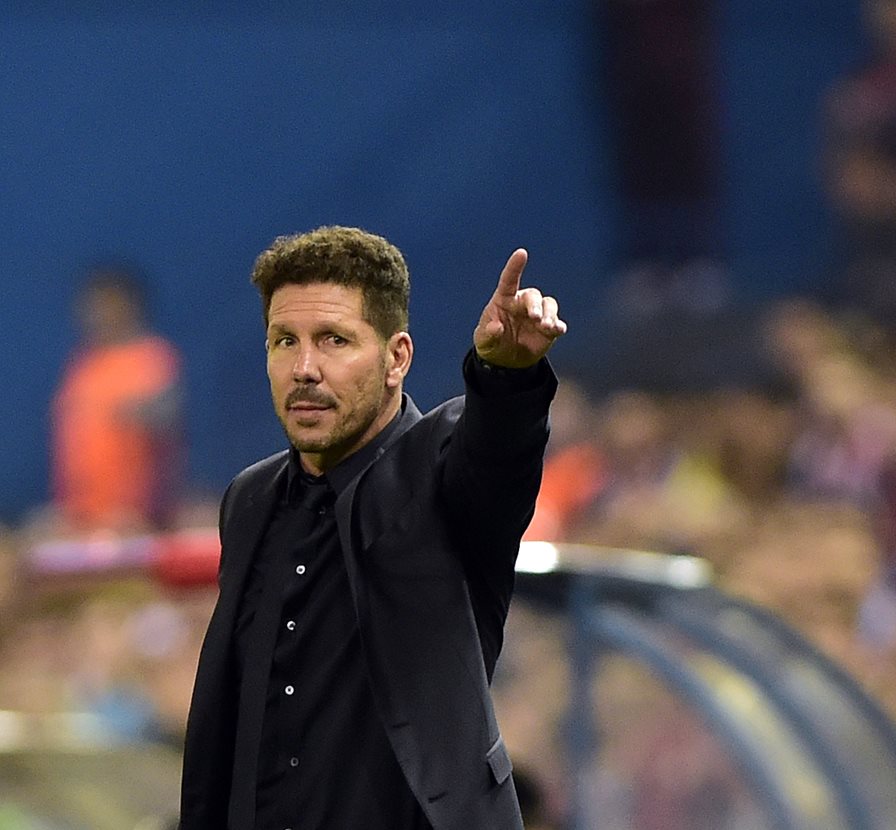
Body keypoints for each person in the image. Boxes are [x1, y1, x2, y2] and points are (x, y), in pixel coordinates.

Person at [180, 226, 565, 830]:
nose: (304, 368)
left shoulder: (440, 468)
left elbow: (496, 457)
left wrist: (506, 378)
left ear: (397, 358)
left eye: (334, 340)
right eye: (284, 341)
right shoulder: (249, 499)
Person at [51, 266, 184, 531]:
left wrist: (134, 413)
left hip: (132, 516)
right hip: (79, 513)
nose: (98, 315)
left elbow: (166, 418)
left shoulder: (151, 357)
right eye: (93, 306)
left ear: (129, 306)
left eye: (107, 305)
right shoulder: (83, 365)